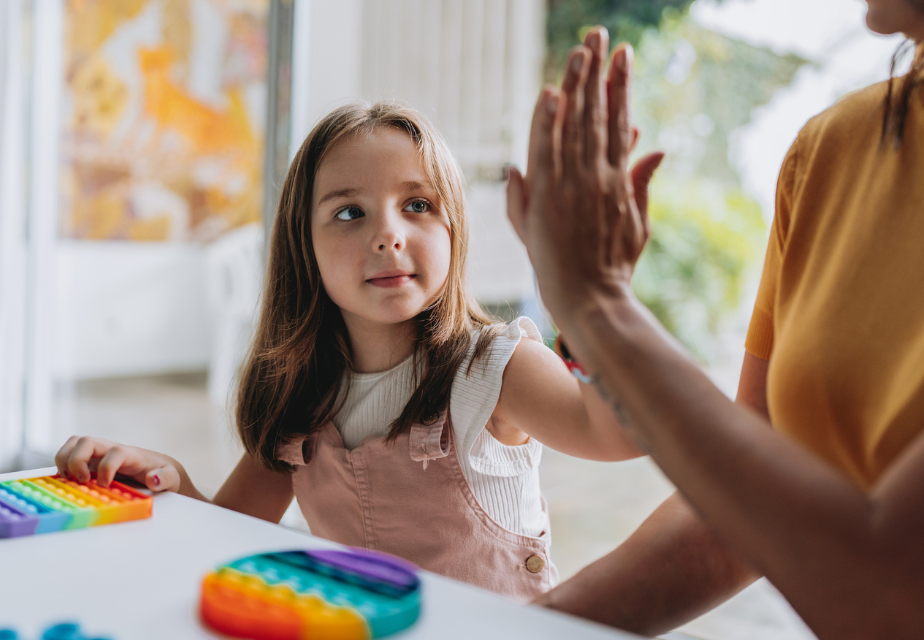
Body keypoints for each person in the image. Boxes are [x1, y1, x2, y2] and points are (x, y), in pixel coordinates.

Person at [55, 101, 643, 601]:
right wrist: (167, 476)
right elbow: (226, 533)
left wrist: (586, 302)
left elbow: (617, 437)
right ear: (303, 247)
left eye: (417, 205)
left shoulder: (497, 368)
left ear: (454, 229)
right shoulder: (301, 394)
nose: (388, 233)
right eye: (348, 213)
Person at [505, 2, 924, 637]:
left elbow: (889, 591)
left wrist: (598, 307)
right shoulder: (833, 150)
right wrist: (522, 627)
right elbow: (744, 510)